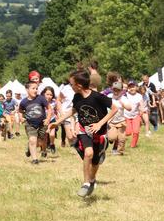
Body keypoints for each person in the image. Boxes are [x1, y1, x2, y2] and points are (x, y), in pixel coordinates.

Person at [50, 70, 118, 198]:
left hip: (99, 132)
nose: (71, 86)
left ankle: (92, 179)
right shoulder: (77, 97)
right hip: (84, 130)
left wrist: (99, 124)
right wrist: (57, 122)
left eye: (71, 84)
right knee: (88, 153)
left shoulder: (97, 96)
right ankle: (86, 183)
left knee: (95, 162)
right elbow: (74, 110)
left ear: (79, 85)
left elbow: (115, 109)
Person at [20, 81, 51, 164]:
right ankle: (35, 159)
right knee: (32, 140)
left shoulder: (41, 98)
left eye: (36, 88)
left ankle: (29, 148)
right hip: (30, 124)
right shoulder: (23, 102)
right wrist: (21, 117)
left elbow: (49, 108)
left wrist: (48, 119)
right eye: (33, 88)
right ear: (27, 89)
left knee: (40, 141)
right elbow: (20, 110)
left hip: (42, 124)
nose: (35, 90)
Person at [107, 81, 131, 155]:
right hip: (111, 121)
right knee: (112, 137)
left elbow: (129, 108)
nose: (116, 92)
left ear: (121, 91)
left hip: (121, 121)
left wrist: (123, 104)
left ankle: (119, 151)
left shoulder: (123, 98)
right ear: (112, 89)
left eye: (118, 90)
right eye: (114, 90)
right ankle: (111, 140)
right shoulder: (109, 97)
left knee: (122, 138)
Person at [124, 81, 145, 148]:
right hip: (126, 115)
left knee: (136, 131)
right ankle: (122, 138)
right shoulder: (125, 94)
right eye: (130, 87)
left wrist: (141, 111)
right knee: (128, 132)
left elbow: (141, 105)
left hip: (136, 115)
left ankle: (133, 145)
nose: (132, 88)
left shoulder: (139, 96)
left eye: (133, 87)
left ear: (136, 87)